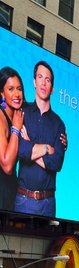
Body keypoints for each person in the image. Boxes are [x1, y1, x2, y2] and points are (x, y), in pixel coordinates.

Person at [16, 61, 66, 217]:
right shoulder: (22, 112)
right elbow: (20, 150)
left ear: (52, 89)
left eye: (48, 79)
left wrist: (30, 145)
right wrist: (46, 148)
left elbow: (56, 163)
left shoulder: (59, 124)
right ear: (34, 82)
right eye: (40, 77)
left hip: (48, 203)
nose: (44, 82)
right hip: (23, 199)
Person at [0, 67, 24, 210]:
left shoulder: (19, 116)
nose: (16, 94)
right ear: (2, 93)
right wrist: (15, 128)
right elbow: (7, 166)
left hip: (13, 192)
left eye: (19, 89)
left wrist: (63, 141)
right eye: (10, 89)